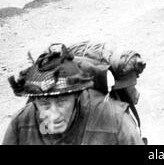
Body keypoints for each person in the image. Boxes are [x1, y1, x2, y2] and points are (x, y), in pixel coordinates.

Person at [3, 44, 143, 145]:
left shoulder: (115, 120)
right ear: (34, 101)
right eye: (45, 104)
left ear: (77, 96)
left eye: (61, 102)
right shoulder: (20, 123)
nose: (54, 115)